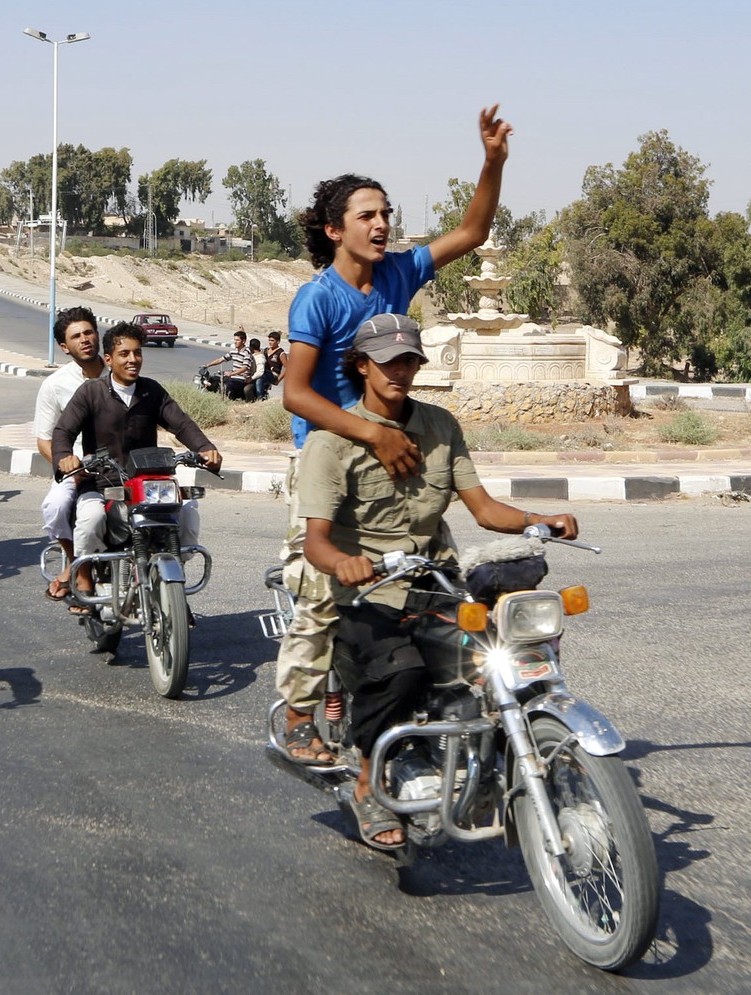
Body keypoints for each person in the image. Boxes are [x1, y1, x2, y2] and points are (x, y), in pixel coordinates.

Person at [276, 105, 512, 766]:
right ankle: (300, 710)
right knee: (321, 583)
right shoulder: (317, 298)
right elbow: (295, 392)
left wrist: (492, 161)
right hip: (330, 449)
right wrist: (370, 436)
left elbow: (472, 229)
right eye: (366, 216)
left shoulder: (403, 272)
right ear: (334, 230)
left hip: (398, 446)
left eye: (385, 213)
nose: (381, 224)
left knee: (437, 579)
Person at [298, 315, 578, 848]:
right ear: (362, 366)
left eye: (409, 360)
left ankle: (495, 762)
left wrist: (540, 521)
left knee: (503, 660)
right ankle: (367, 782)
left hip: (436, 584)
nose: (400, 371)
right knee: (401, 673)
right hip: (366, 592)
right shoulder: (332, 442)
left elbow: (484, 509)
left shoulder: (441, 426)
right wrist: (343, 563)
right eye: (388, 362)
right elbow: (315, 541)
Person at [51, 322, 223, 610]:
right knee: (90, 519)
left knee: (188, 514)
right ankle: (83, 577)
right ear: (109, 359)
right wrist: (64, 456)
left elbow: (180, 423)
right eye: (124, 354)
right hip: (104, 481)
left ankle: (172, 587)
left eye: (137, 353)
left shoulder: (151, 391)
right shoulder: (91, 392)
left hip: (148, 482)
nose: (133, 360)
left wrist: (204, 448)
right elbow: (63, 432)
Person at [33, 306, 105, 602]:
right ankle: (77, 565)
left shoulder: (123, 372)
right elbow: (44, 440)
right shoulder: (54, 385)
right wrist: (68, 469)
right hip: (76, 470)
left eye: (88, 332)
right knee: (57, 506)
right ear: (65, 347)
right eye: (76, 336)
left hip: (122, 468)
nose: (84, 339)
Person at [203, 329, 257, 400]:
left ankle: (229, 401)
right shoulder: (233, 351)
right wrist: (207, 365)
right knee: (212, 380)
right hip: (233, 378)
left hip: (241, 379)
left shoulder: (247, 353)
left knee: (227, 385)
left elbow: (245, 368)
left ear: (243, 341)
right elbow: (221, 359)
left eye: (237, 340)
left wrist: (231, 374)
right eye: (234, 340)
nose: (235, 342)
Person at [258, 330, 287, 399]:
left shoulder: (280, 353)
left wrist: (278, 380)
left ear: (278, 341)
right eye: (269, 340)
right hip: (264, 372)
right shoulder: (265, 350)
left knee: (259, 380)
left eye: (272, 340)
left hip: (273, 375)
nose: (270, 342)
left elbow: (288, 368)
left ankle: (260, 399)